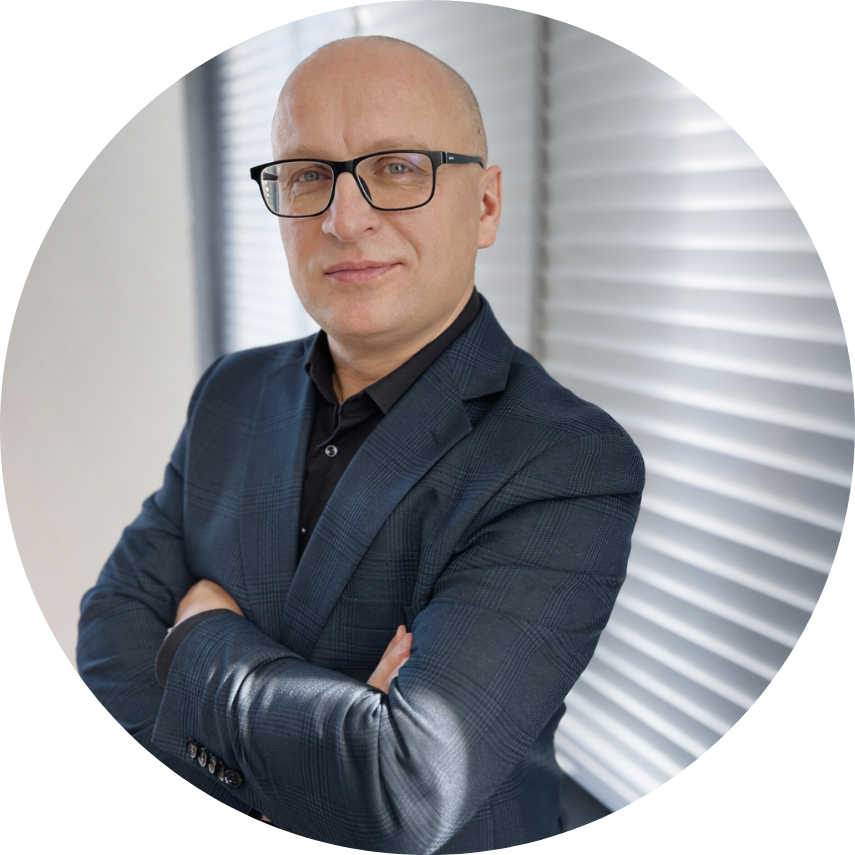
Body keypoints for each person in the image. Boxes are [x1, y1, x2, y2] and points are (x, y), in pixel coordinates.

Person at [78, 35, 644, 852]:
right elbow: (108, 643)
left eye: (398, 167)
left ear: (485, 206)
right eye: (308, 174)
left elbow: (403, 791)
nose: (344, 220)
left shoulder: (565, 460)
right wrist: (304, 765)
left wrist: (198, 637)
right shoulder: (230, 392)